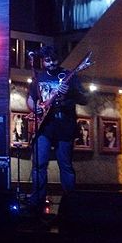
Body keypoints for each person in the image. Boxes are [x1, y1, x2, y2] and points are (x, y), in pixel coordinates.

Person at [27, 46, 88, 214]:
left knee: (65, 165)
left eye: (53, 60)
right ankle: (37, 202)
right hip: (44, 127)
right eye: (47, 60)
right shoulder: (38, 78)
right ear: (43, 61)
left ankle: (71, 203)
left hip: (65, 126)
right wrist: (35, 109)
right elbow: (31, 99)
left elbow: (85, 99)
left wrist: (70, 92)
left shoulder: (70, 75)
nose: (51, 63)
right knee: (39, 165)